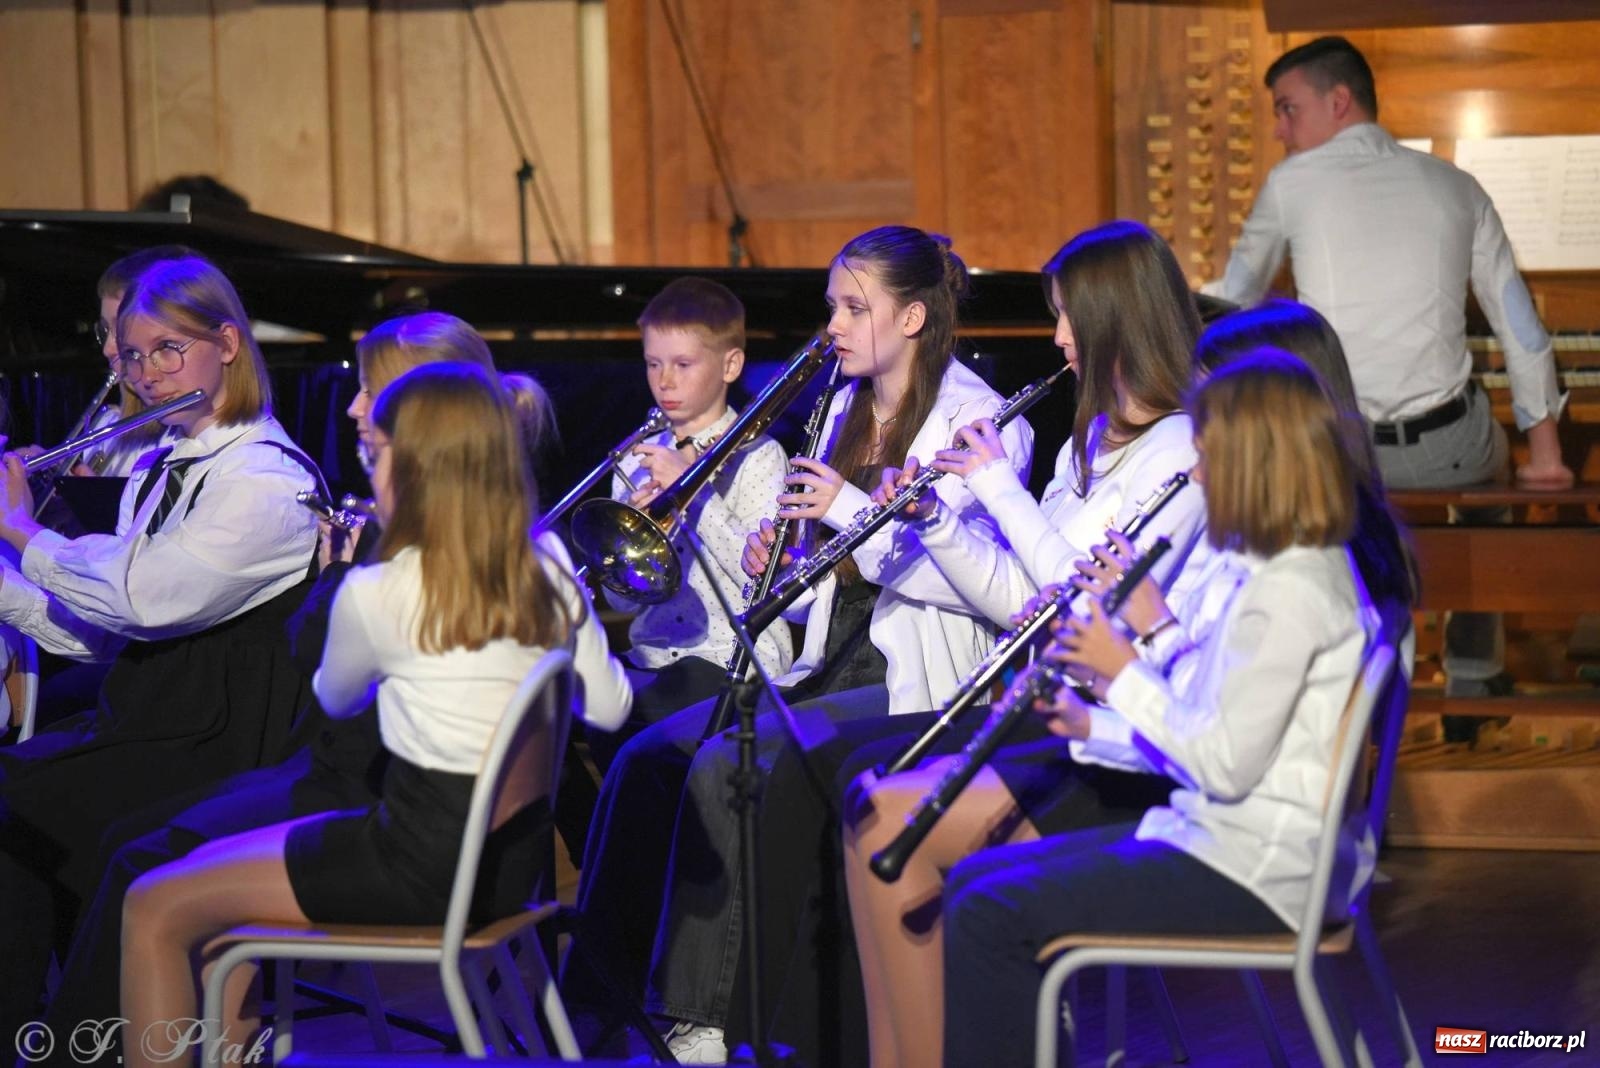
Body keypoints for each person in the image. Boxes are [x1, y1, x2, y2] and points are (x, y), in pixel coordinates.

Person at [32, 311, 575, 1052]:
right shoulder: (525, 544)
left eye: (368, 395)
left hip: (374, 802)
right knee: (144, 844)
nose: (352, 409)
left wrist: (338, 581)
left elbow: (329, 693)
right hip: (439, 822)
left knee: (142, 865)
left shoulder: (410, 546)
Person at [564, 225, 1033, 1062]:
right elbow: (832, 573)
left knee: (724, 762)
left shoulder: (979, 420)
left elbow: (960, 582)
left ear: (915, 317)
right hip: (834, 652)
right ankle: (594, 1000)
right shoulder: (845, 407)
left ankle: (704, 1016)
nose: (834, 327)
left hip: (913, 669)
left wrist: (845, 510)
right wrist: (782, 562)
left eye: (855, 308)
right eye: (831, 307)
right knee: (649, 757)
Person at [935, 350, 1403, 1066]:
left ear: (1254, 462)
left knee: (985, 911)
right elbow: (1222, 712)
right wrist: (1103, 707)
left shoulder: (1290, 592)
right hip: (1240, 846)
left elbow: (1219, 761)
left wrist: (1120, 672)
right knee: (974, 877)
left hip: (1251, 873)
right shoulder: (1292, 567)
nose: (1197, 471)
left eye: (1211, 455)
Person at [0, 255, 322, 1039]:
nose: (145, 374)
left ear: (228, 344)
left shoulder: (266, 484)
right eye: (134, 354)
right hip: (147, 721)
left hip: (219, 742)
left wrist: (22, 528)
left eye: (169, 350)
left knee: (18, 809)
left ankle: (83, 1042)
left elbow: (146, 598)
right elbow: (102, 637)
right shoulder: (161, 465)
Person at [1206, 34, 1573, 698]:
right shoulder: (1456, 184)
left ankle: (1369, 675)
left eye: (1288, 110)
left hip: (1346, 455)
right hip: (1448, 452)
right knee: (1488, 485)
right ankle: (1470, 672)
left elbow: (1231, 302)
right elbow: (1520, 326)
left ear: (1338, 100)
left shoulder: (1291, 184)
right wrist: (1544, 456)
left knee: (1321, 475)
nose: (1281, 133)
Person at [592, 276, 792, 770]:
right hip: (654, 657)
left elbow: (761, 580)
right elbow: (621, 599)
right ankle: (597, 849)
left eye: (683, 365)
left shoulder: (760, 457)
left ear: (731, 365)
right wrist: (624, 548)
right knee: (553, 707)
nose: (665, 381)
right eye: (653, 364)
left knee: (633, 731)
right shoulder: (639, 458)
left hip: (734, 661)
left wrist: (692, 495)